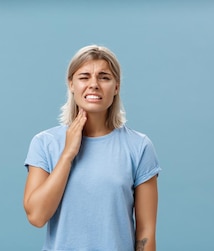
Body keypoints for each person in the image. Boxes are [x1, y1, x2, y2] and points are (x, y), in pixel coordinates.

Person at [23, 45, 161, 251]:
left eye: (104, 77)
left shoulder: (139, 146)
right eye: (84, 77)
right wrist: (67, 155)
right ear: (71, 84)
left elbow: (146, 233)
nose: (94, 84)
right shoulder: (45, 143)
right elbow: (37, 216)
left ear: (116, 87)